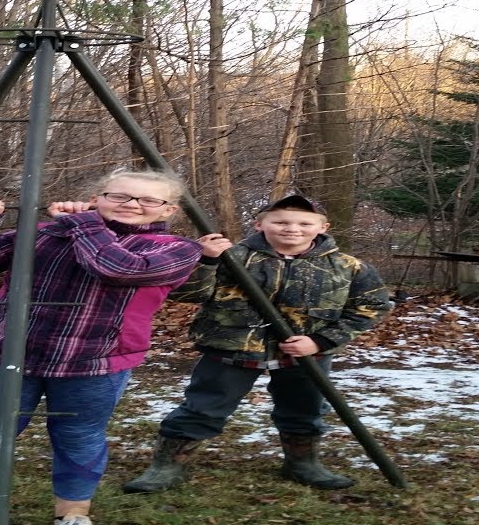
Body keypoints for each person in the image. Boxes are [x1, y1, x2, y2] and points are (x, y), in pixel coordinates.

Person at [0, 168, 204, 525]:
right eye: (119, 196)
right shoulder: (46, 233)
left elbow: (117, 269)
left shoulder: (177, 249)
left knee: (78, 437)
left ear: (168, 211)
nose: (132, 205)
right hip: (8, 352)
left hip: (94, 362)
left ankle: (72, 515)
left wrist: (84, 224)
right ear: (98, 197)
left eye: (148, 200)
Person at [122, 194, 393, 495]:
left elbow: (371, 306)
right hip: (231, 347)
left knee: (305, 407)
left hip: (305, 354)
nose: (293, 228)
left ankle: (302, 463)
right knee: (204, 406)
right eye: (280, 221)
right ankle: (167, 465)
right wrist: (207, 260)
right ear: (259, 223)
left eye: (305, 223)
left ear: (323, 227)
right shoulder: (231, 257)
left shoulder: (347, 266)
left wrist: (320, 341)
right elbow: (186, 294)